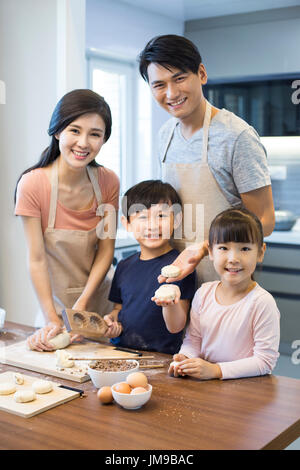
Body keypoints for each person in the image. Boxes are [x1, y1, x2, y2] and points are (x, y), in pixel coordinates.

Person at [138, 35, 275, 285]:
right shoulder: (165, 135)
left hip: (226, 281)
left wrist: (205, 248)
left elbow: (264, 222)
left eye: (179, 78)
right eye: (159, 85)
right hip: (176, 283)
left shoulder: (237, 136)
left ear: (201, 74)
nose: (171, 93)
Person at [14, 89, 119, 351]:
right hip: (54, 306)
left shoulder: (108, 182)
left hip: (100, 305)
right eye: (75, 130)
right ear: (58, 131)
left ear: (103, 139)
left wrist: (82, 308)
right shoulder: (33, 184)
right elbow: (36, 259)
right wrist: (52, 318)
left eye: (95, 134)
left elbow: (106, 249)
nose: (83, 143)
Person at [167, 207, 280, 380]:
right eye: (223, 248)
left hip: (248, 390)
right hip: (208, 387)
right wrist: (186, 358)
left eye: (245, 249)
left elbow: (265, 361)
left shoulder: (262, 303)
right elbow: (193, 341)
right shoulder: (203, 293)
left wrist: (216, 370)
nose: (233, 258)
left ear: (260, 252)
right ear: (211, 252)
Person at [103, 180, 197, 355]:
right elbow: (119, 309)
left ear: (176, 220)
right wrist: (111, 321)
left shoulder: (180, 266)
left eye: (161, 216)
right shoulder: (124, 266)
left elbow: (177, 326)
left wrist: (169, 305)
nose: (152, 225)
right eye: (142, 217)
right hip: (123, 353)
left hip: (162, 357)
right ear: (127, 223)